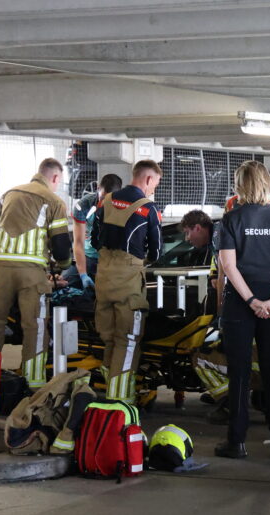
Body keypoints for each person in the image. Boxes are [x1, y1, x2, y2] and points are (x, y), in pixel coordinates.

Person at [213, 161, 270, 461]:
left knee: (238, 373)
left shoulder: (230, 219)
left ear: (239, 186)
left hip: (240, 303)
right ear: (267, 183)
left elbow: (228, 266)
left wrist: (250, 300)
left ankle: (236, 442)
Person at [0, 158, 72, 389]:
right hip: (30, 275)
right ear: (54, 178)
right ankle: (33, 384)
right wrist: (64, 264)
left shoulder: (7, 194)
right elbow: (61, 245)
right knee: (35, 327)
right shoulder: (54, 201)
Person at [93, 159, 163, 403]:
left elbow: (94, 238)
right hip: (128, 279)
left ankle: (110, 385)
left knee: (109, 337)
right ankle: (120, 399)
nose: (154, 188)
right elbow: (156, 251)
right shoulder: (147, 207)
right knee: (129, 339)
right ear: (147, 179)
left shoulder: (108, 200)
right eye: (156, 182)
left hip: (103, 275)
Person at [68, 173, 123, 289]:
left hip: (110, 259)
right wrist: (83, 274)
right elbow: (78, 243)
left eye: (109, 199)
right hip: (87, 257)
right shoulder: (83, 206)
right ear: (98, 188)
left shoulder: (124, 209)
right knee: (66, 281)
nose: (103, 203)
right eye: (102, 198)